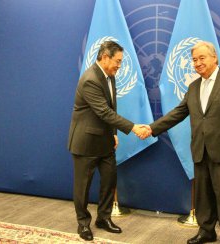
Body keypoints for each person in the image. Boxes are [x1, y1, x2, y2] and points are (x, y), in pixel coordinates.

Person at [143, 41, 220, 244]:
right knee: (203, 195)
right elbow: (177, 113)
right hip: (200, 150)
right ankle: (206, 231)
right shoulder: (193, 87)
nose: (197, 63)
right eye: (194, 60)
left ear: (214, 58)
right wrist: (152, 128)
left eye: (202, 58)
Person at [67, 41, 149, 241]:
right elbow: (103, 112)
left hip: (105, 142)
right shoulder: (90, 79)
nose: (119, 66)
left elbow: (111, 108)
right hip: (85, 142)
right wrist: (132, 127)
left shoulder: (109, 76)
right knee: (83, 187)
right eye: (117, 61)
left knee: (109, 181)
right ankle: (83, 224)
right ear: (105, 57)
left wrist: (113, 132)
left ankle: (103, 218)